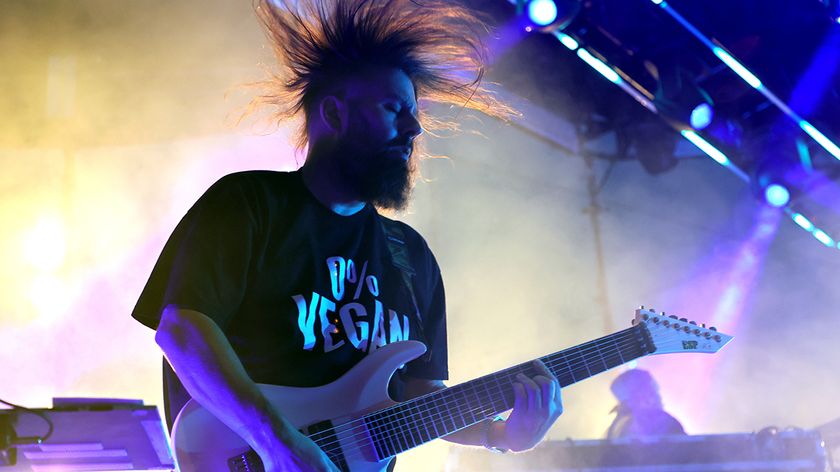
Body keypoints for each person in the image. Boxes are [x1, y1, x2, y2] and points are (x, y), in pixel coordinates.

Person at [131, 1, 564, 470]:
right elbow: (182, 331)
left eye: (413, 112)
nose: (413, 128)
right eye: (392, 108)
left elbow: (421, 396)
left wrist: (502, 435)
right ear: (334, 115)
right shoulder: (250, 203)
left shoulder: (410, 255)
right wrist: (280, 443)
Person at [605, 369, 685, 439]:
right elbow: (691, 451)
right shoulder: (659, 420)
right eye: (654, 391)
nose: (659, 397)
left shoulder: (615, 428)